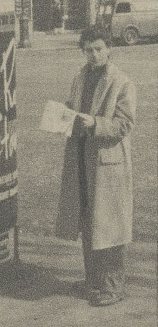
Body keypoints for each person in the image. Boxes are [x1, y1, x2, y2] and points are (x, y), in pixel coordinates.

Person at [56, 25, 136, 307]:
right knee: (88, 221)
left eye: (98, 49)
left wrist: (96, 123)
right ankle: (93, 281)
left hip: (107, 162)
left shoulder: (121, 81)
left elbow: (124, 123)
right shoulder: (80, 77)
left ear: (109, 48)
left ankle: (113, 286)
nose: (93, 55)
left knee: (110, 224)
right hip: (81, 157)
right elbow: (72, 106)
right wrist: (61, 117)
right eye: (88, 50)